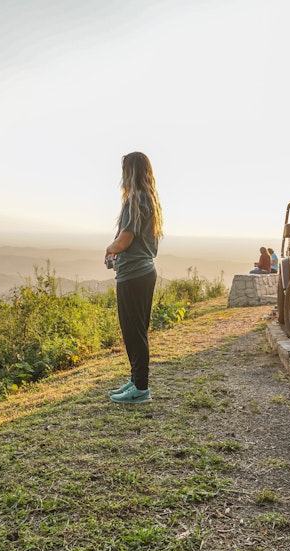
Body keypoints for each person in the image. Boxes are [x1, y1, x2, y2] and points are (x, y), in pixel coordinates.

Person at [105, 152, 163, 404]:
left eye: (124, 170)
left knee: (133, 332)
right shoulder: (148, 198)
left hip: (133, 275)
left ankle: (141, 388)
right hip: (143, 272)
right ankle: (136, 380)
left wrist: (109, 249)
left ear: (131, 172)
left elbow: (125, 239)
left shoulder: (136, 198)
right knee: (136, 331)